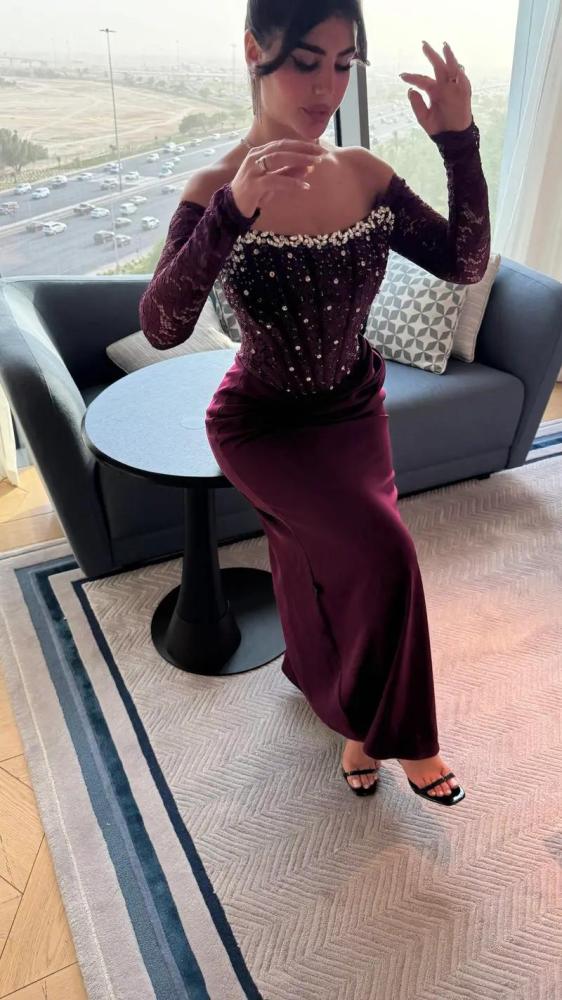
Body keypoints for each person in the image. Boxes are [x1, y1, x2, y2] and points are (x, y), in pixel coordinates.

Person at [139, 0, 491, 804]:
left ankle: (316, 676)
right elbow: (161, 326)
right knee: (386, 555)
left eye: (343, 64)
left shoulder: (364, 175)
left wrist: (459, 141)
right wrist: (229, 215)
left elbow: (464, 263)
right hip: (261, 424)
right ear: (254, 51)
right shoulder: (215, 189)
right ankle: (401, 736)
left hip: (355, 408)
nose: (327, 87)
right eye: (306, 61)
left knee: (310, 561)